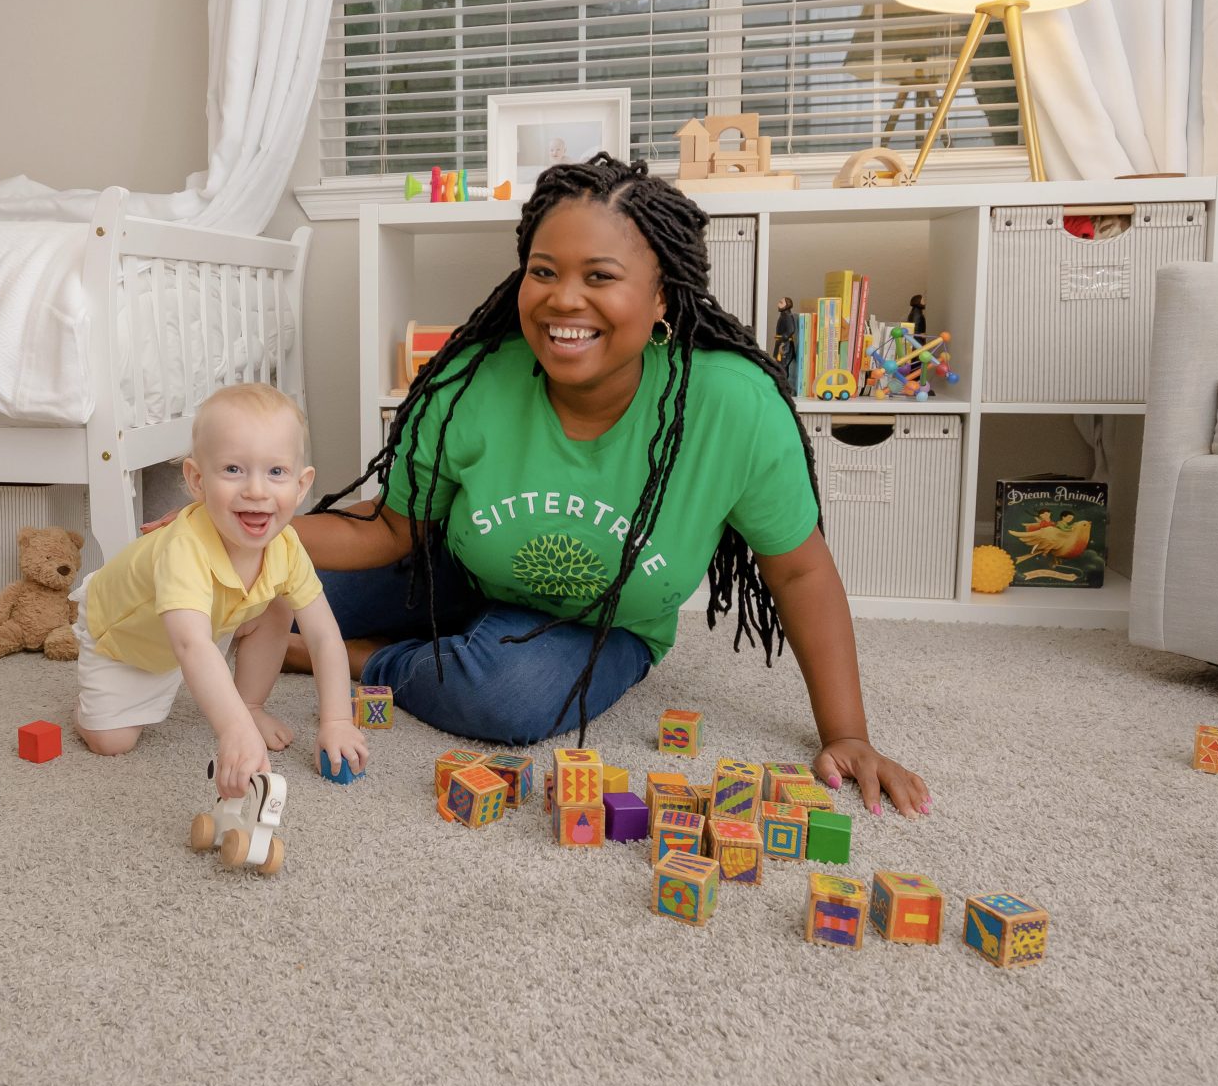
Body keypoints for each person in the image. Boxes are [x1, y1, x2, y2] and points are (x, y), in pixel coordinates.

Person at [293, 156, 927, 815]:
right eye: (543, 272)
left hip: (601, 623)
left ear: (662, 297)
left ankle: (348, 657)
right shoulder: (469, 382)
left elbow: (799, 573)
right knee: (269, 588)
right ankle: (358, 633)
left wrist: (848, 734)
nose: (564, 298)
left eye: (600, 276)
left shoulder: (731, 406)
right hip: (457, 569)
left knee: (503, 697)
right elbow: (395, 529)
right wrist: (245, 530)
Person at [71, 383, 366, 797]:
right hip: (126, 637)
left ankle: (250, 703)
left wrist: (336, 719)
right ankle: (91, 711)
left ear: (301, 487)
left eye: (276, 472)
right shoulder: (184, 547)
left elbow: (323, 635)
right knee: (112, 743)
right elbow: (191, 645)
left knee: (279, 605)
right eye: (233, 470)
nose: (257, 491)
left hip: (207, 620)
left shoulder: (285, 546)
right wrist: (233, 732)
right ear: (196, 480)